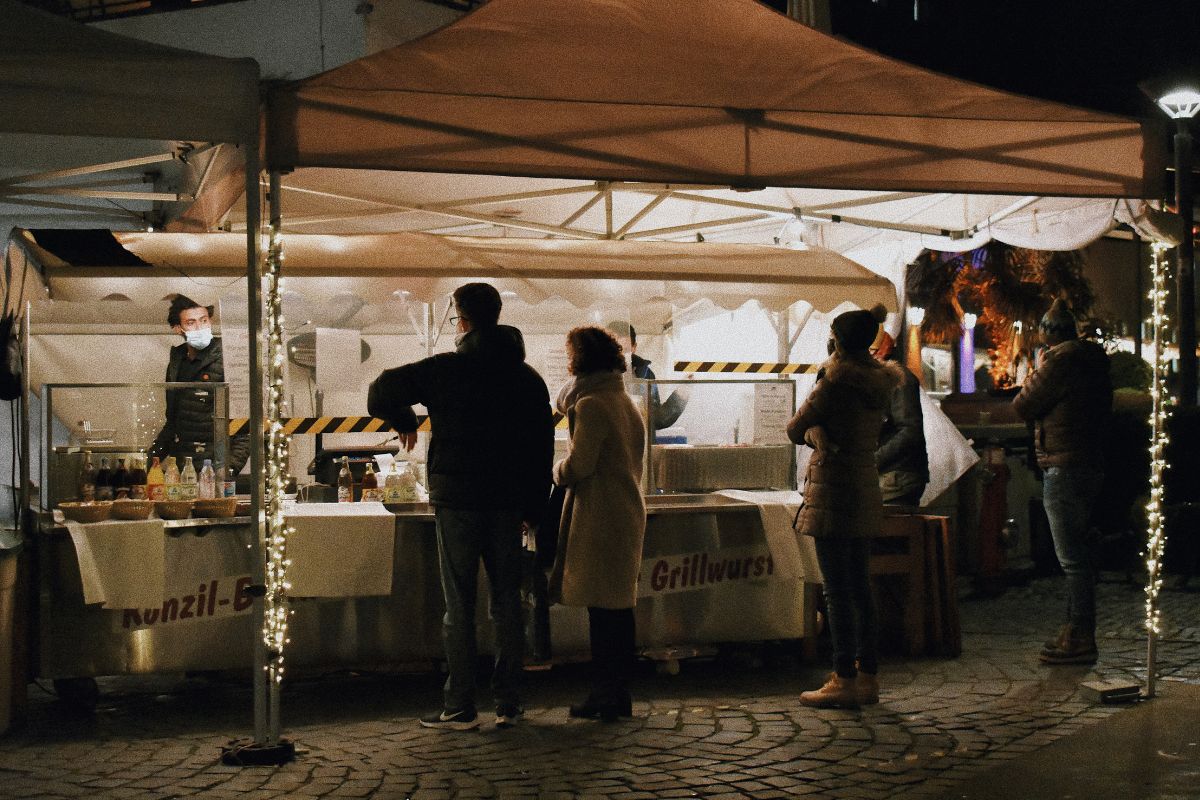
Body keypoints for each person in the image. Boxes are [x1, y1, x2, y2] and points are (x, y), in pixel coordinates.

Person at [367, 283, 553, 729]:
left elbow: (380, 391)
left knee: (459, 604)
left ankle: (460, 705)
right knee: (508, 603)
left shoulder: (445, 369)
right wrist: (535, 505)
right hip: (508, 504)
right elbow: (540, 448)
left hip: (457, 503)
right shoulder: (528, 378)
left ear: (462, 321)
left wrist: (405, 418)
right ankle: (509, 703)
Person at [788, 309, 903, 708]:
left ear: (836, 339)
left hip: (833, 490)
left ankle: (843, 677)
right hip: (864, 486)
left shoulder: (833, 382)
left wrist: (815, 434)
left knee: (837, 590)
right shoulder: (880, 382)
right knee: (861, 587)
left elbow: (794, 428)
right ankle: (867, 675)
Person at [550, 326, 647, 722]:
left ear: (580, 359)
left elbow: (580, 465)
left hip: (599, 514)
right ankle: (617, 693)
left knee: (602, 611)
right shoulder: (625, 401)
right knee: (618, 607)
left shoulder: (590, 405)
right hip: (626, 509)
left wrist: (556, 471)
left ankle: (605, 693)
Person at [1013, 299, 1112, 665]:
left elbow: (1024, 404)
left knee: (1071, 558)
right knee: (1079, 554)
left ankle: (1081, 634)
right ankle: (1074, 630)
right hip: (1088, 463)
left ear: (1048, 335)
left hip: (1063, 465)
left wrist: (1036, 369)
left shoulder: (1059, 362)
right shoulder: (1092, 362)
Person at [150, 295, 249, 476]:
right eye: (191, 323)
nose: (199, 327)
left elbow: (245, 426)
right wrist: (148, 462)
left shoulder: (229, 357)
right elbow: (172, 422)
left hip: (216, 464)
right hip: (182, 465)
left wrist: (229, 469)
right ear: (178, 328)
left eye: (204, 320)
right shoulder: (177, 362)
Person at [868, 306, 928, 507]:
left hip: (897, 478)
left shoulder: (899, 379)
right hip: (895, 476)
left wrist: (872, 460)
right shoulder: (881, 379)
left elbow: (909, 431)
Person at [605, 320, 688, 431]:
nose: (619, 355)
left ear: (634, 348)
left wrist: (681, 394)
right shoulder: (591, 375)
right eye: (613, 350)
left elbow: (657, 419)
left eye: (625, 350)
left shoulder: (645, 374)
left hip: (638, 441)